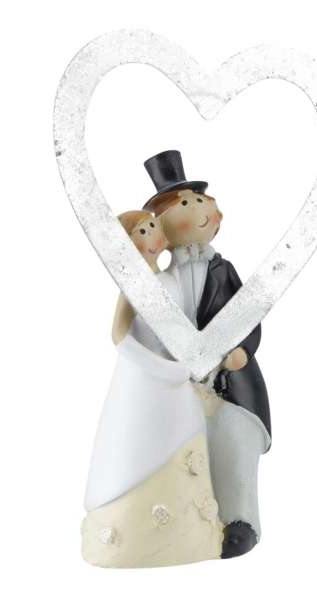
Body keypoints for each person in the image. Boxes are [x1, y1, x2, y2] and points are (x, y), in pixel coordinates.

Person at [144, 149, 271, 559]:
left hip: (231, 384)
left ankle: (241, 522)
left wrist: (242, 350)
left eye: (202, 201)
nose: (200, 210)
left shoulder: (223, 271)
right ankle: (191, 522)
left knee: (233, 450)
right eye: (185, 205)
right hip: (181, 387)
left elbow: (248, 314)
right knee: (188, 456)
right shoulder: (162, 283)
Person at [82, 210, 222, 568]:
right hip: (144, 379)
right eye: (143, 231)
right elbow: (118, 334)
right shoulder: (133, 285)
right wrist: (156, 368)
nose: (154, 234)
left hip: (178, 379)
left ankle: (190, 537)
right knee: (140, 443)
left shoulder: (170, 279)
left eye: (154, 226)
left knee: (183, 432)